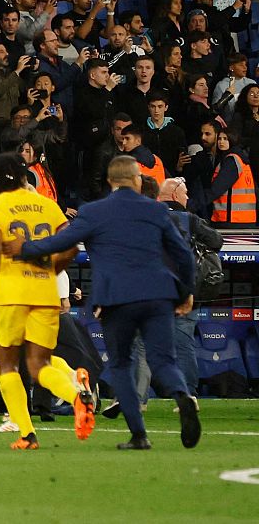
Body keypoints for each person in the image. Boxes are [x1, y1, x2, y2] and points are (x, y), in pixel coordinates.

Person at [15, 155, 202, 451]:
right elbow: (182, 254)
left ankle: (139, 435)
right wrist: (186, 291)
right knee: (163, 361)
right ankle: (182, 396)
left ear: (110, 182)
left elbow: (61, 243)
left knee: (121, 363)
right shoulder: (156, 210)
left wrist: (23, 248)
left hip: (117, 299)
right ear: (138, 180)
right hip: (157, 294)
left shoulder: (94, 212)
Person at [0, 152, 97, 450]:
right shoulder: (48, 206)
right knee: (39, 365)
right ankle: (75, 395)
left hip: (11, 294)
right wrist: (51, 268)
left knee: (7, 366)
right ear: (26, 177)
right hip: (45, 292)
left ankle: (27, 434)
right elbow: (70, 249)